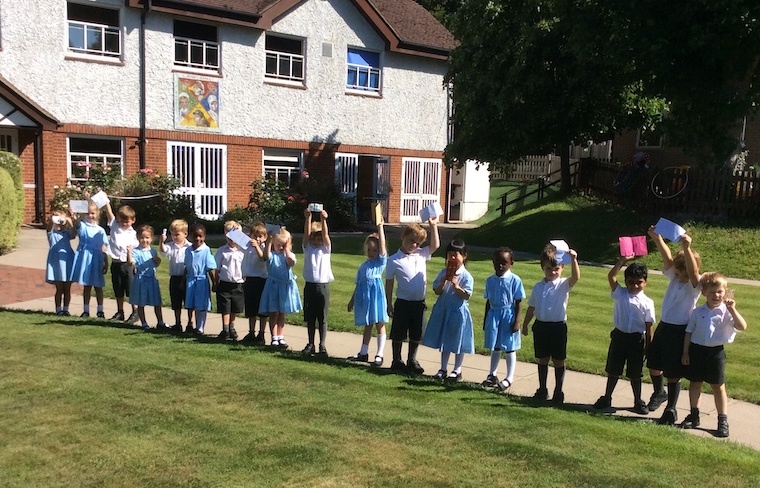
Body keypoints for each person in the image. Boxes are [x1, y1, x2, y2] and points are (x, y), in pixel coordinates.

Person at [680, 272, 747, 437]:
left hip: (715, 353)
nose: (716, 296)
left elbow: (742, 326)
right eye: (712, 292)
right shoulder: (697, 312)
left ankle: (722, 420)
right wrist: (685, 352)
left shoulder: (726, 312)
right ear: (704, 293)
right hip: (696, 351)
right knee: (695, 383)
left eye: (719, 292)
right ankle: (694, 415)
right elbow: (689, 332)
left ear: (725, 292)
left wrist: (732, 309)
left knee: (718, 386)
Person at [646, 227, 701, 425]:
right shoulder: (674, 276)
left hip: (680, 330)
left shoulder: (695, 285)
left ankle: (671, 408)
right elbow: (668, 259)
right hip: (665, 326)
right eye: (678, 273)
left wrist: (686, 248)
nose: (680, 277)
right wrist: (658, 238)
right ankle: (659, 392)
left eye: (683, 275)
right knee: (653, 364)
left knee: (673, 372)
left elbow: (692, 272)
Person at [593, 258, 655, 414]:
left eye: (639, 282)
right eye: (630, 282)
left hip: (636, 340)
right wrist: (622, 261)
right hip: (619, 337)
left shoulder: (647, 302)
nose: (634, 286)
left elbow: (649, 326)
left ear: (645, 282)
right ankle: (607, 397)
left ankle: (638, 401)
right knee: (613, 370)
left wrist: (649, 346)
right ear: (625, 281)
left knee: (635, 373)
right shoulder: (620, 293)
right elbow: (611, 276)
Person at [520, 243, 580, 404]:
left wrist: (574, 260)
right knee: (542, 359)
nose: (553, 272)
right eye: (549, 269)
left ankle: (558, 391)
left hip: (557, 327)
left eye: (556, 269)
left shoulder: (563, 285)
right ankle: (542, 389)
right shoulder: (538, 287)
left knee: (559, 360)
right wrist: (525, 324)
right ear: (542, 267)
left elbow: (575, 278)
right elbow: (532, 306)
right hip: (541, 326)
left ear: (562, 268)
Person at [385, 216, 440, 374]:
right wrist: (388, 303)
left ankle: (412, 359)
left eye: (417, 243)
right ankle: (396, 359)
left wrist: (433, 226)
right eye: (411, 241)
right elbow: (389, 283)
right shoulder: (394, 260)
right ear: (403, 237)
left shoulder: (421, 254)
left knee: (417, 332)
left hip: (418, 302)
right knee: (398, 332)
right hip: (403, 302)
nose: (413, 245)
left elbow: (435, 245)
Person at [422, 239, 474, 382]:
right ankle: (443, 368)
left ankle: (457, 369)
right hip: (444, 309)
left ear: (464, 256)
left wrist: (457, 287)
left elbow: (467, 295)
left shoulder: (466, 276)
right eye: (450, 255)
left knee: (457, 340)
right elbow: (437, 291)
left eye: (456, 255)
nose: (452, 258)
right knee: (444, 340)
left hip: (457, 312)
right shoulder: (443, 272)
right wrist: (443, 282)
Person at [481, 247, 525, 392]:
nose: (500, 266)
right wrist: (486, 319)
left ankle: (509, 377)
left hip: (508, 316)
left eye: (504, 263)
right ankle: (492, 374)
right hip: (494, 315)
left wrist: (517, 321)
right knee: (495, 346)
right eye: (497, 262)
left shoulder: (514, 280)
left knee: (509, 347)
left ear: (511, 263)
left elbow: (518, 302)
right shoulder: (490, 280)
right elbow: (488, 301)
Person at [347, 220, 388, 366]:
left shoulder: (380, 263)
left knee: (379, 323)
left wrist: (380, 227)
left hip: (376, 296)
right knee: (368, 324)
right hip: (365, 298)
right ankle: (363, 352)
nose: (371, 253)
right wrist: (352, 300)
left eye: (374, 250)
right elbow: (358, 284)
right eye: (369, 250)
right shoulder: (363, 266)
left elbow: (382, 245)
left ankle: (379, 354)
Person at [258, 228, 302, 348]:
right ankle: (274, 337)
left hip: (285, 287)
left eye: (284, 245)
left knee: (282, 313)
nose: (281, 247)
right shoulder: (272, 255)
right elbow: (265, 256)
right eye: (279, 245)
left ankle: (280, 336)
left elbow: (291, 262)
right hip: (273, 286)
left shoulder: (289, 255)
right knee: (274, 312)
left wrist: (287, 249)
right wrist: (269, 241)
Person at [301, 209, 334, 356]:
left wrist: (323, 220)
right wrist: (308, 218)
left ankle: (322, 344)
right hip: (310, 285)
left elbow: (326, 236)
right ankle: (310, 343)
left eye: (319, 237)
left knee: (322, 317)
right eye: (314, 237)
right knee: (310, 317)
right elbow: (306, 235)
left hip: (323, 286)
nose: (317, 240)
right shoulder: (308, 248)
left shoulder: (325, 249)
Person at [69, 202, 108, 318]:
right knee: (87, 285)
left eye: (92, 213)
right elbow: (77, 225)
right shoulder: (83, 226)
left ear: (97, 214)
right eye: (87, 213)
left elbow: (104, 246)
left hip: (97, 259)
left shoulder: (100, 230)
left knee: (98, 286)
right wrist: (73, 216)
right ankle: (86, 310)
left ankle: (100, 310)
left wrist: (105, 261)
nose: (90, 216)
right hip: (86, 259)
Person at [104, 201, 139, 323]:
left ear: (133, 220)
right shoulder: (115, 226)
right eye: (122, 220)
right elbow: (109, 212)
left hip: (128, 264)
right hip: (116, 263)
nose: (124, 223)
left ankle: (135, 312)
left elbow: (136, 251)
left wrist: (136, 265)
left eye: (127, 221)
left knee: (131, 289)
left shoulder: (133, 234)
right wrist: (106, 201)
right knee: (118, 289)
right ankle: (120, 312)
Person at [127, 225, 165, 331]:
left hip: (152, 279)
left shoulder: (153, 251)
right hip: (141, 279)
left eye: (147, 238)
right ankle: (144, 322)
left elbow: (157, 263)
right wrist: (129, 252)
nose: (145, 240)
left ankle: (160, 322)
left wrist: (157, 260)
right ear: (138, 238)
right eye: (142, 238)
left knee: (157, 302)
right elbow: (130, 263)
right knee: (141, 302)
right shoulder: (136, 251)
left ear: (151, 238)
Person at [159, 219, 193, 333]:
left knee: (188, 301)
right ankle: (178, 323)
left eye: (177, 234)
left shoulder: (189, 247)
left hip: (186, 277)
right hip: (175, 277)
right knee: (176, 301)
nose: (174, 237)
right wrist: (161, 242)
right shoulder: (170, 246)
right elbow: (163, 252)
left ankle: (190, 323)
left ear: (185, 234)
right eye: (172, 234)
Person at [215, 221, 246, 341]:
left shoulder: (243, 251)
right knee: (225, 307)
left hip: (239, 283)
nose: (232, 239)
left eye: (235, 235)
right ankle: (225, 328)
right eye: (229, 235)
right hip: (224, 282)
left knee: (235, 307)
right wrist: (216, 281)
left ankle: (232, 326)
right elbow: (217, 268)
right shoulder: (222, 250)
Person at [184, 224, 216, 336]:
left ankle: (200, 327)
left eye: (200, 236)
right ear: (190, 236)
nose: (198, 239)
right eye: (195, 236)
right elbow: (186, 267)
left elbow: (210, 268)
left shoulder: (206, 250)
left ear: (204, 237)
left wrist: (214, 282)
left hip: (201, 281)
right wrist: (183, 281)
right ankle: (190, 323)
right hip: (190, 280)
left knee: (201, 305)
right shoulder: (188, 250)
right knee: (190, 303)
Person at [242, 222, 270, 344]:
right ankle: (251, 332)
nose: (257, 239)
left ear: (265, 237)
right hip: (249, 279)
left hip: (261, 280)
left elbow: (263, 258)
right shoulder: (247, 247)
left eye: (260, 236)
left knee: (262, 309)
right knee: (251, 308)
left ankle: (261, 333)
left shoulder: (264, 248)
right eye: (255, 236)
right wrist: (236, 230)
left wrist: (257, 247)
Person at [46, 210, 75, 316]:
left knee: (67, 288)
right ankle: (58, 309)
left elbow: (74, 234)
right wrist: (53, 218)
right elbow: (49, 227)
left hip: (67, 262)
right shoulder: (52, 234)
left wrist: (69, 220)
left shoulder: (66, 234)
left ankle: (66, 309)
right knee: (59, 289)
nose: (60, 223)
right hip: (57, 263)